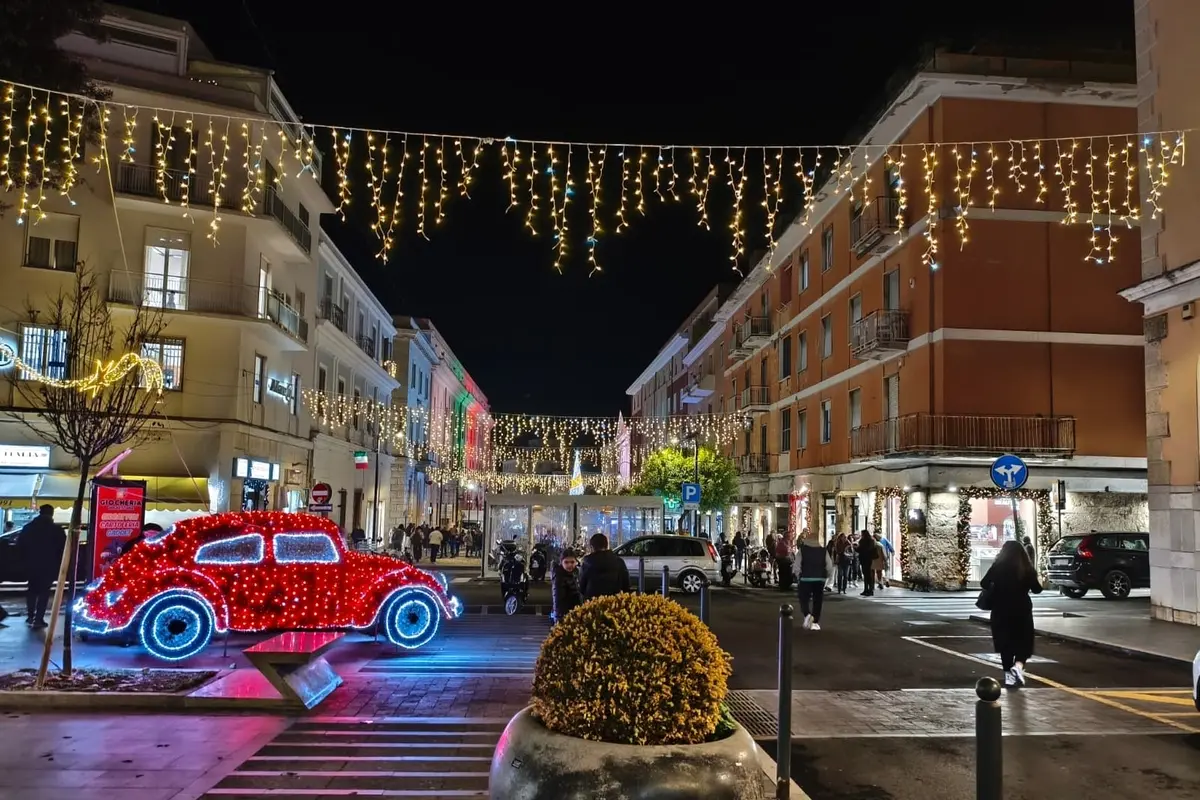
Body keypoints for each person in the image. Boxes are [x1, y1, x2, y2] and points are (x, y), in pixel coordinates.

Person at [981, 539, 1043, 689]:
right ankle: (1019, 666)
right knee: (1024, 642)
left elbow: (984, 583)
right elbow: (1037, 589)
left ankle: (1009, 677)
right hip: (1022, 608)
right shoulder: (1026, 568)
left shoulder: (998, 567)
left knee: (1005, 644)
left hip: (1001, 608)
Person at [17, 505, 66, 629]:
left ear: (40, 512)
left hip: (31, 565)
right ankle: (39, 618)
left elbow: (20, 546)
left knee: (32, 590)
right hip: (49, 565)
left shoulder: (28, 528)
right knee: (44, 592)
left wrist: (24, 561)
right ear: (52, 514)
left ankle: (30, 616)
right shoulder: (56, 530)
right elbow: (64, 548)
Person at [578, 532, 630, 600]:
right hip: (614, 602)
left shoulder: (587, 563)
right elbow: (626, 584)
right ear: (607, 545)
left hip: (592, 603)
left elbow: (582, 587)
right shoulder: (619, 561)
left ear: (592, 547)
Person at [794, 534, 829, 631]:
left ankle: (807, 614)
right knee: (818, 600)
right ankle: (815, 621)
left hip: (805, 578)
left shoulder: (802, 551)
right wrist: (826, 577)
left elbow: (797, 565)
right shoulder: (823, 551)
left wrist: (798, 576)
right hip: (820, 579)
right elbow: (829, 566)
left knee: (804, 598)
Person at [550, 548, 582, 624]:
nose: (569, 565)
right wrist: (558, 617)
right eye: (566, 562)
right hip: (564, 614)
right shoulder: (559, 575)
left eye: (572, 562)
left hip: (575, 612)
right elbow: (557, 598)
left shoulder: (576, 573)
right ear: (561, 562)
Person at [856, 529, 877, 596]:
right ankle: (869, 589)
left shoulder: (863, 541)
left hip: (864, 559)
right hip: (869, 559)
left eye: (862, 534)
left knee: (866, 575)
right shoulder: (871, 541)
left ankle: (867, 590)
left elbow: (860, 549)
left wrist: (855, 548)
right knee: (868, 575)